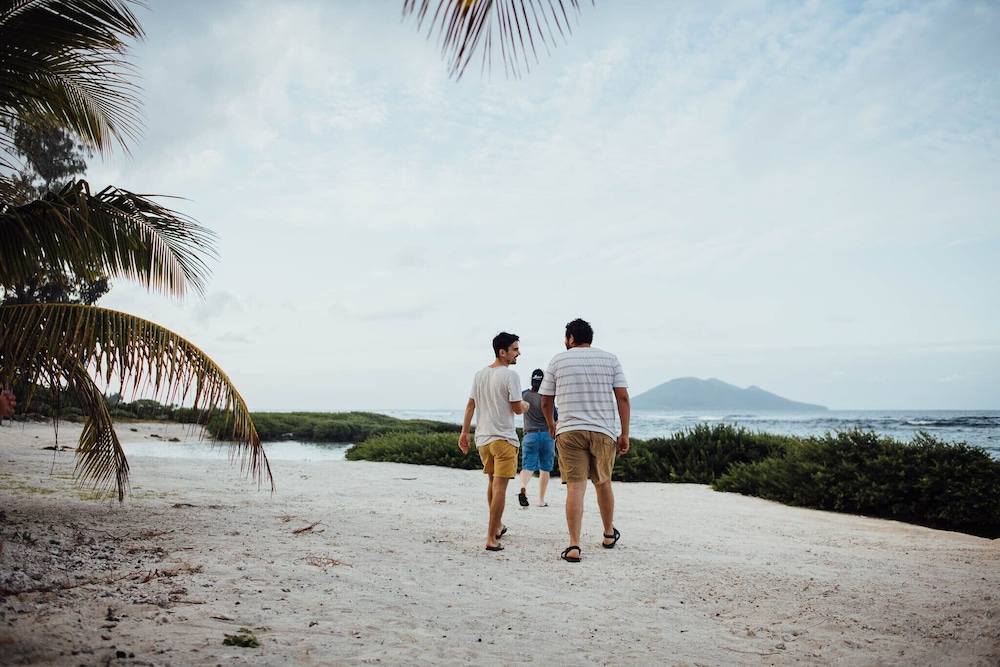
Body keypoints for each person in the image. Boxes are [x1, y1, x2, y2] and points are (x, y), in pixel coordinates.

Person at [539, 318, 630, 563]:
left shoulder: (558, 360)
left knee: (575, 487)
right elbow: (622, 398)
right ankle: (609, 533)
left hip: (569, 430)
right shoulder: (611, 359)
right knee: (603, 482)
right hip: (603, 431)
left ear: (570, 338)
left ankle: (574, 545)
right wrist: (624, 433)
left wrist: (551, 424)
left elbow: (546, 400)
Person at [459, 332, 530, 552]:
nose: (518, 353)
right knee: (500, 487)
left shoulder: (480, 374)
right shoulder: (510, 375)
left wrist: (464, 433)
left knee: (492, 483)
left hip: (483, 440)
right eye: (515, 349)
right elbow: (517, 408)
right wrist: (526, 405)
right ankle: (491, 537)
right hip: (503, 439)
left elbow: (470, 405)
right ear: (502, 352)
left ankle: (497, 526)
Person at [517, 369, 556, 508]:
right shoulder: (546, 397)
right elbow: (555, 418)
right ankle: (540, 500)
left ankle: (523, 486)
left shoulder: (523, 395)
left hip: (530, 435)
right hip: (546, 435)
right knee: (545, 468)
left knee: (527, 466)